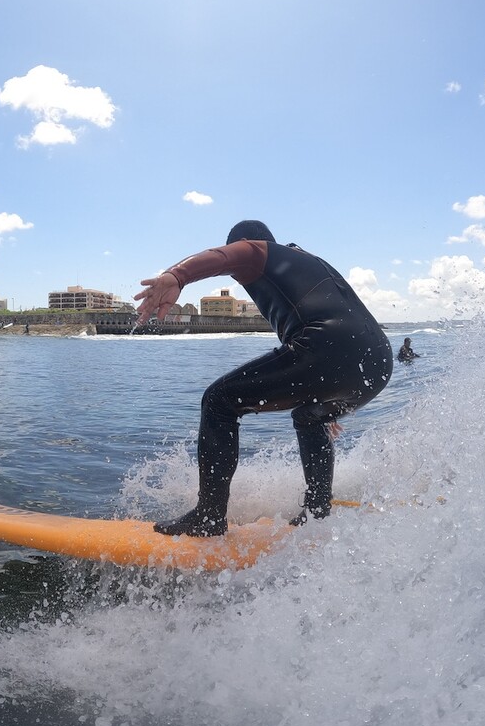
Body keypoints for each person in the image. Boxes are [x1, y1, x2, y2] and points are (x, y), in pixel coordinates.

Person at [134, 220, 393, 536]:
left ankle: (209, 516)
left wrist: (176, 275)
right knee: (310, 417)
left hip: (327, 346)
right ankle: (318, 511)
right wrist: (323, 397)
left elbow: (225, 256)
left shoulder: (259, 253)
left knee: (218, 401)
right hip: (377, 360)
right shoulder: (308, 263)